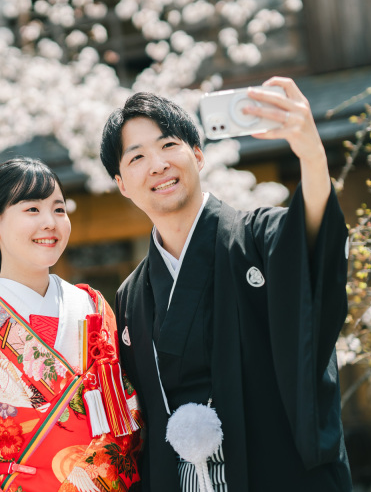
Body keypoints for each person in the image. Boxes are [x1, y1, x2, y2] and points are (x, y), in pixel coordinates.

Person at [99, 78, 352, 492]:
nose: (158, 165)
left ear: (197, 155)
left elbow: (314, 245)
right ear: (122, 184)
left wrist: (310, 151)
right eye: (137, 157)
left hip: (275, 474)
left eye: (168, 146)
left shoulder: (260, 238)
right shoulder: (131, 296)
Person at [0, 157, 142, 492]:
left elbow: (129, 411)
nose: (50, 222)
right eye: (32, 209)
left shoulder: (92, 306)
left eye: (59, 210)